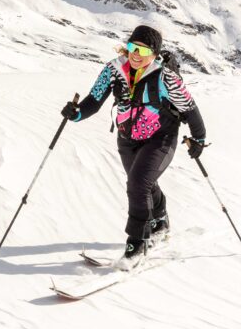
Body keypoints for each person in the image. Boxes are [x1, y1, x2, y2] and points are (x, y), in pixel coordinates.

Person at [61, 24, 207, 269]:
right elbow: (94, 100)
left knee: (138, 183)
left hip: (161, 137)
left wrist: (199, 139)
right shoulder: (114, 69)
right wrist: (76, 114)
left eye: (143, 50)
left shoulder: (165, 77)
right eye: (132, 47)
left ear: (155, 54)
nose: (136, 54)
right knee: (142, 183)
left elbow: (189, 108)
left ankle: (137, 244)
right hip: (127, 138)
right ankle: (160, 220)